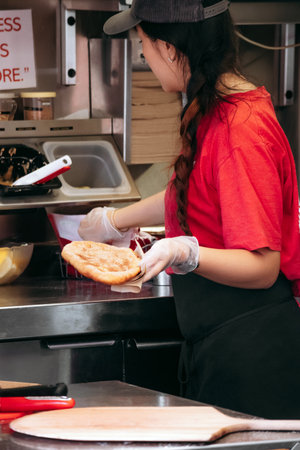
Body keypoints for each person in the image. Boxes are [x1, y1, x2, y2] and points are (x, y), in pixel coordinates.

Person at [79, 0, 300, 419]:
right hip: (220, 341)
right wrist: (115, 219)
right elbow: (194, 189)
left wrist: (186, 253)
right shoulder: (214, 110)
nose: (145, 59)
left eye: (144, 48)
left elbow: (262, 265)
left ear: (172, 47)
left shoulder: (241, 130)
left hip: (256, 352)